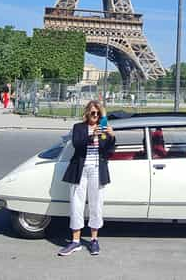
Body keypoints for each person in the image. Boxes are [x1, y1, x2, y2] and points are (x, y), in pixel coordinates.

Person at [58, 101, 115, 257]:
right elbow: (77, 144)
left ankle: (94, 240)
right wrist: (92, 135)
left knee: (96, 205)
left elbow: (108, 151)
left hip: (97, 170)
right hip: (79, 170)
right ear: (87, 113)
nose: (95, 116)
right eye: (92, 113)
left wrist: (111, 136)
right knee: (77, 204)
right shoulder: (79, 127)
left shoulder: (103, 129)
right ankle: (75, 241)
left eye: (98, 113)